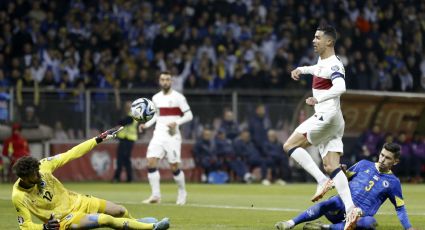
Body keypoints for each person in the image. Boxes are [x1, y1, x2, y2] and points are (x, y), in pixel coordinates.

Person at [11, 126, 170, 230]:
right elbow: (25, 225)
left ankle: (135, 223)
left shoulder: (43, 166)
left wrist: (98, 139)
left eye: (38, 171)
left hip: (78, 201)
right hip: (65, 219)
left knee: (120, 210)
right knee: (106, 220)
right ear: (24, 178)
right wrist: (44, 228)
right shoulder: (19, 196)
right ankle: (153, 227)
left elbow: (72, 153)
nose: (39, 175)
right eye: (34, 175)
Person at [283, 24, 361, 230]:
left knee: (290, 146)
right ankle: (351, 209)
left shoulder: (335, 64)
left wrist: (319, 100)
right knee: (332, 166)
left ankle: (321, 181)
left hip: (326, 116)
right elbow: (318, 70)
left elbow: (341, 87)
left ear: (329, 42)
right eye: (313, 37)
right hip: (335, 120)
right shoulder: (322, 61)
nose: (313, 40)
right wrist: (302, 69)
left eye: (318, 37)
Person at [275, 143, 416, 230]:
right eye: (382, 155)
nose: (382, 159)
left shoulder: (393, 183)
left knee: (369, 224)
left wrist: (408, 228)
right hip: (340, 207)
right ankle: (290, 223)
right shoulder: (364, 164)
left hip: (358, 217)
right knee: (331, 201)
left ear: (395, 162)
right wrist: (342, 172)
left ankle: (323, 227)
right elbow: (346, 177)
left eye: (388, 158)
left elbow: (400, 208)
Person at [139, 71, 193, 205]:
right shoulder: (156, 97)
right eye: (163, 79)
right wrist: (146, 125)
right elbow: (156, 116)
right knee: (151, 162)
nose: (165, 82)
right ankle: (156, 196)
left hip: (172, 136)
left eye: (167, 79)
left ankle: (182, 192)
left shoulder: (178, 97)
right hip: (158, 134)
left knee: (174, 166)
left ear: (171, 81)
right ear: (159, 81)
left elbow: (189, 115)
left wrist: (177, 122)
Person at [113, 101, 138, 183]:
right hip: (126, 139)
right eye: (126, 106)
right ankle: (129, 178)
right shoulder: (130, 115)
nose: (127, 108)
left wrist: (119, 123)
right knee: (126, 160)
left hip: (127, 139)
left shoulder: (132, 115)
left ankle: (117, 178)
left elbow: (123, 122)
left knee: (121, 159)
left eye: (129, 106)